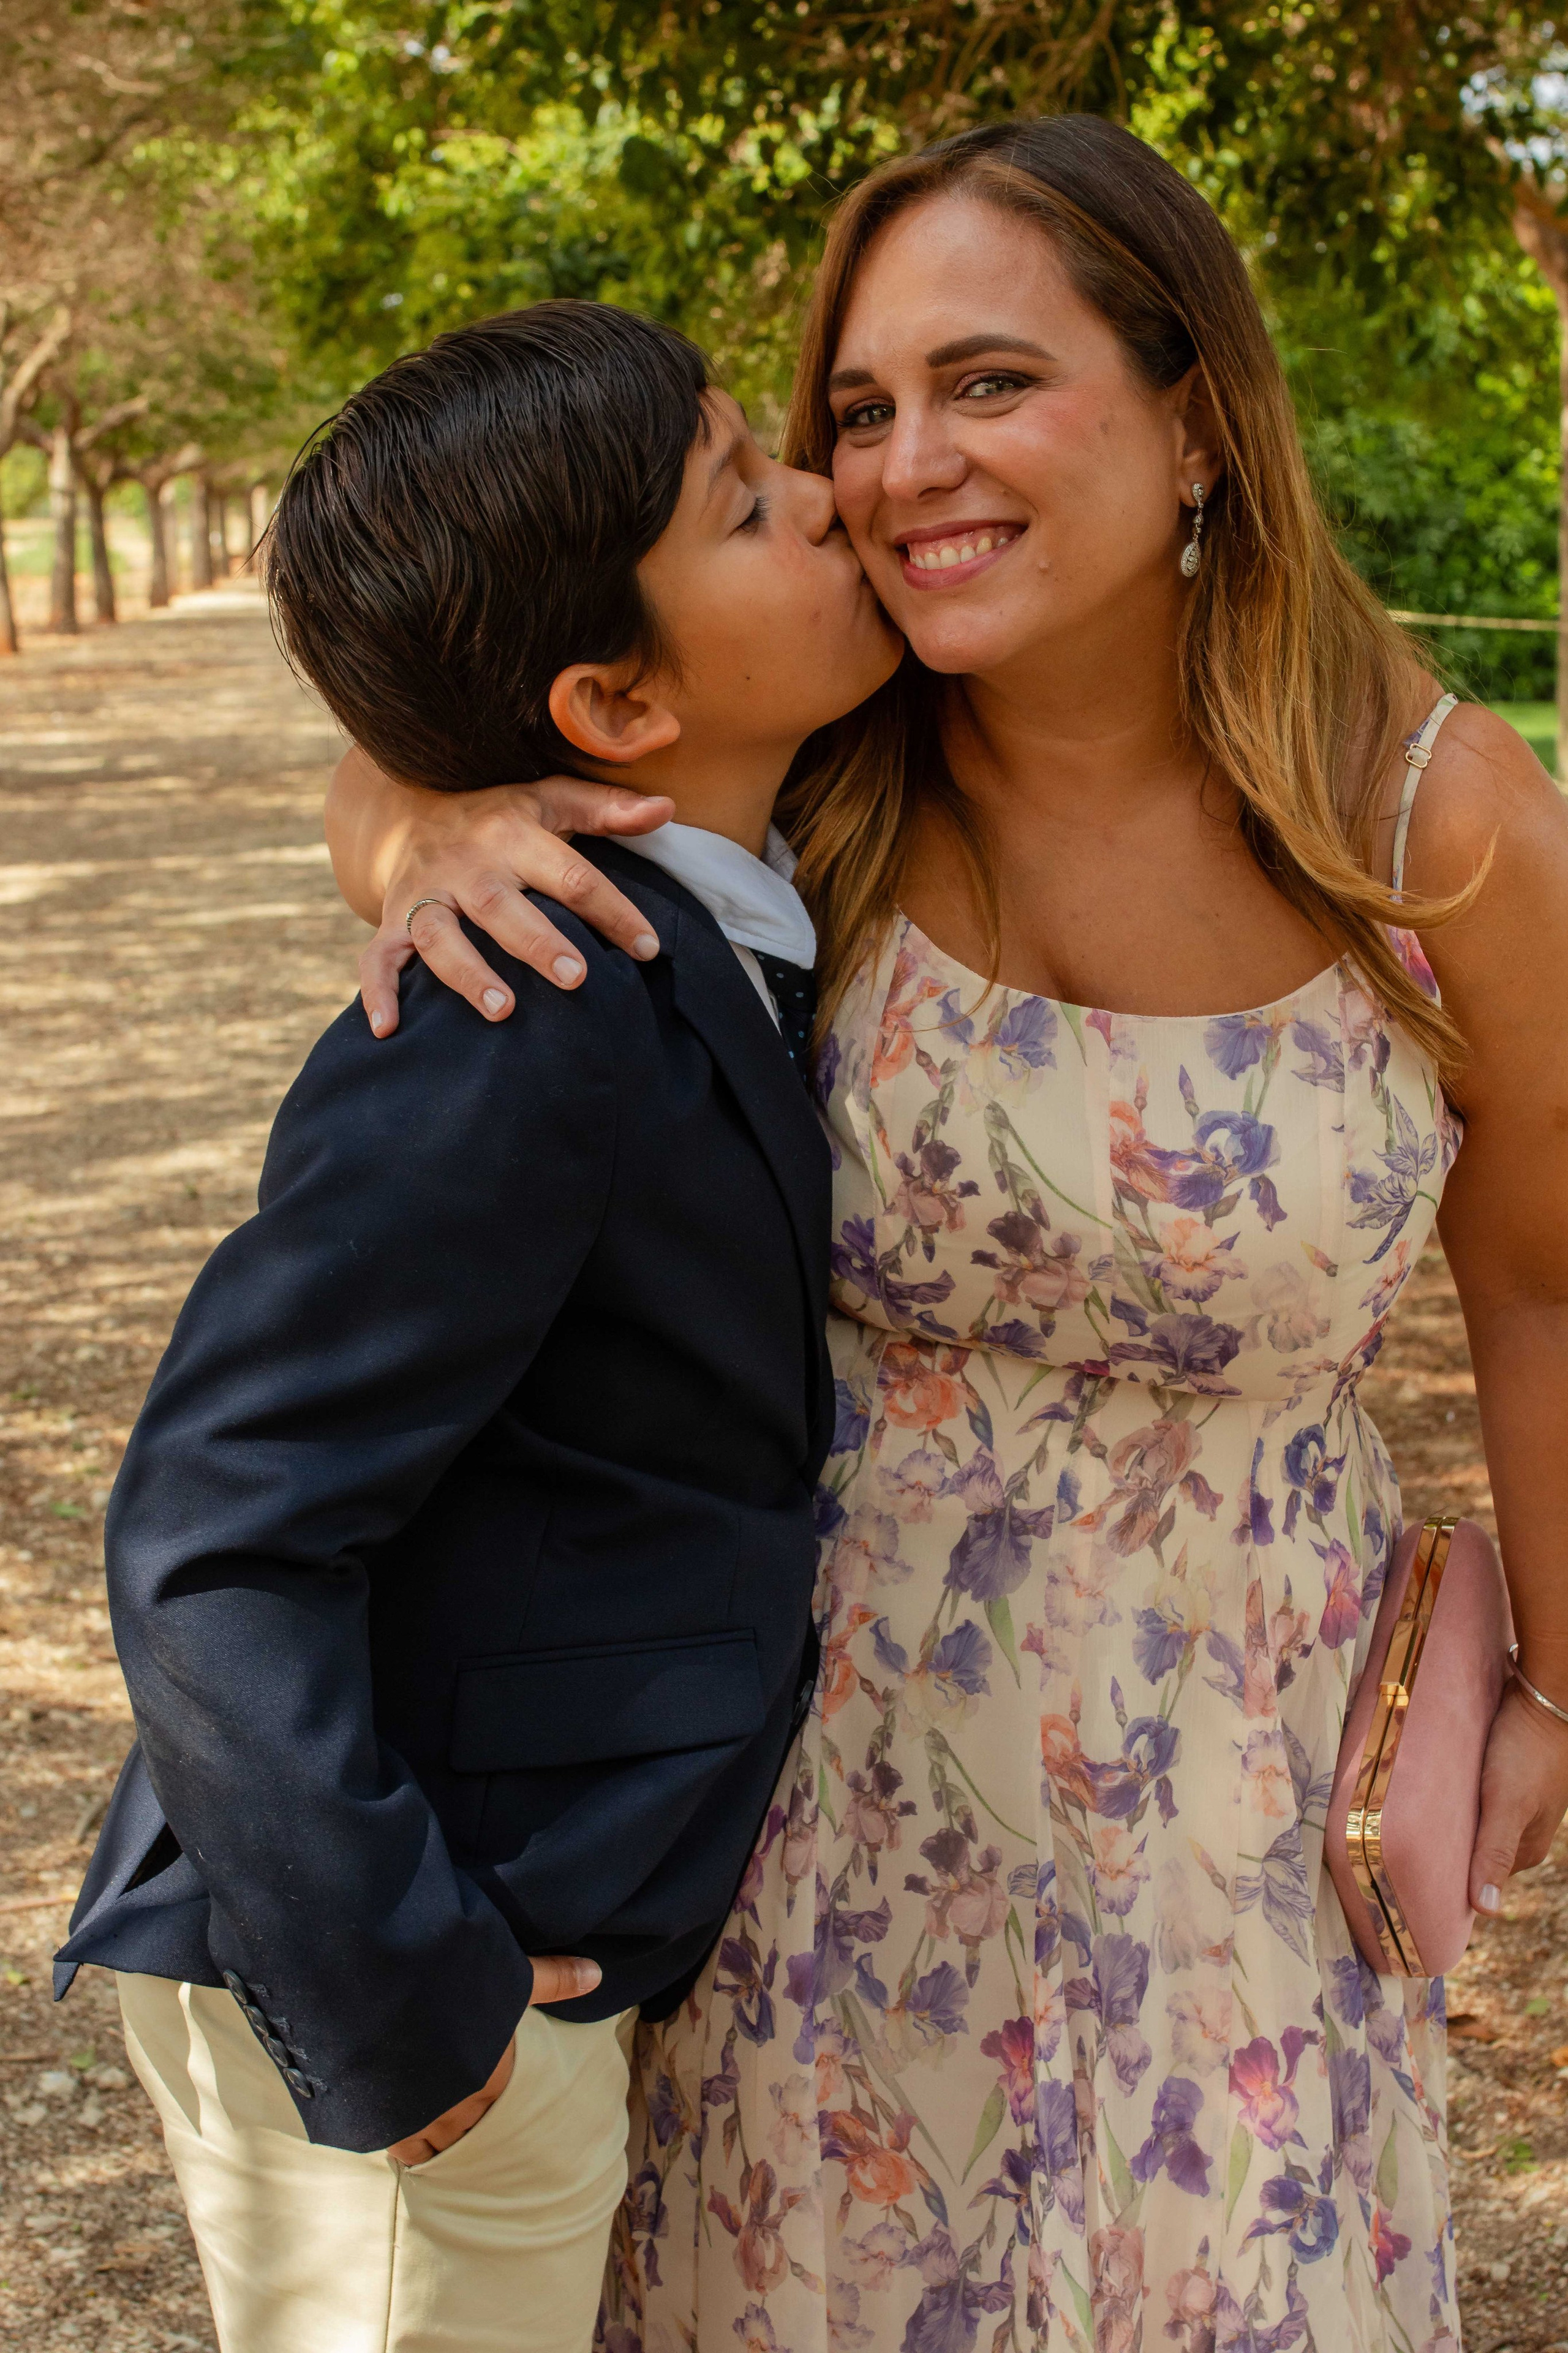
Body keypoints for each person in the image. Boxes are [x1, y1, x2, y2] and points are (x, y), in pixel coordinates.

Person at [326, 119, 1568, 2353]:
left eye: (990, 383)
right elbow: (464, 712)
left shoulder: (1434, 814)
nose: (907, 468)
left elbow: (1550, 1274)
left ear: (1198, 419)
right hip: (801, 1784)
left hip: (1241, 1786)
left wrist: (1562, 1682)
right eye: (861, 409)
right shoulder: (816, 755)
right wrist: (419, 826)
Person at [55, 298, 900, 2353]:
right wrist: (412, 2007)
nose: (829, 495)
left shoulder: (725, 899)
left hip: (520, 1906)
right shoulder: (525, 1009)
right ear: (612, 701)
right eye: (748, 502)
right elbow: (212, 1528)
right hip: (395, 1981)